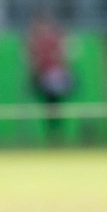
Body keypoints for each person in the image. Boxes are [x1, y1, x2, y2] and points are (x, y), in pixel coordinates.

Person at [27, 12, 74, 141]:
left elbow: (63, 57)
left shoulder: (55, 39)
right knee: (50, 105)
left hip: (55, 76)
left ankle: (56, 131)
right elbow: (33, 62)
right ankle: (52, 132)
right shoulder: (35, 41)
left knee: (54, 104)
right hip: (44, 77)